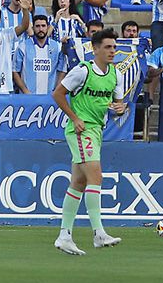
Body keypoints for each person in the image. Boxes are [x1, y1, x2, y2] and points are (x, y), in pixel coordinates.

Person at [51, 28, 126, 255]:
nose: (112, 51)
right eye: (107, 47)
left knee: (79, 183)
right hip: (81, 130)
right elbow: (57, 94)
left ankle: (64, 235)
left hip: (97, 131)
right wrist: (74, 118)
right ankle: (98, 233)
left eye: (114, 47)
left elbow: (118, 106)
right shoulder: (83, 70)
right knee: (96, 177)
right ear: (95, 49)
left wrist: (120, 109)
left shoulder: (116, 74)